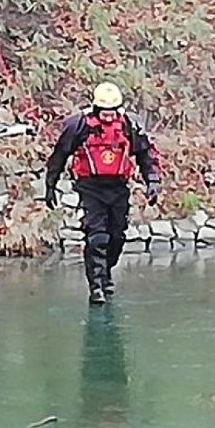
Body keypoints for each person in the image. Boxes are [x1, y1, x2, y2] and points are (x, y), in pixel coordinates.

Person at [45, 81, 160, 305]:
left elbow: (147, 154)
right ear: (97, 109)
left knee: (116, 238)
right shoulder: (79, 125)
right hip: (90, 188)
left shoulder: (129, 125)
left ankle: (105, 272)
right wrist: (51, 185)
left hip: (118, 187)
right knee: (97, 237)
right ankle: (96, 286)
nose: (108, 118)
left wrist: (152, 181)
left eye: (112, 113)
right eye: (104, 113)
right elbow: (59, 155)